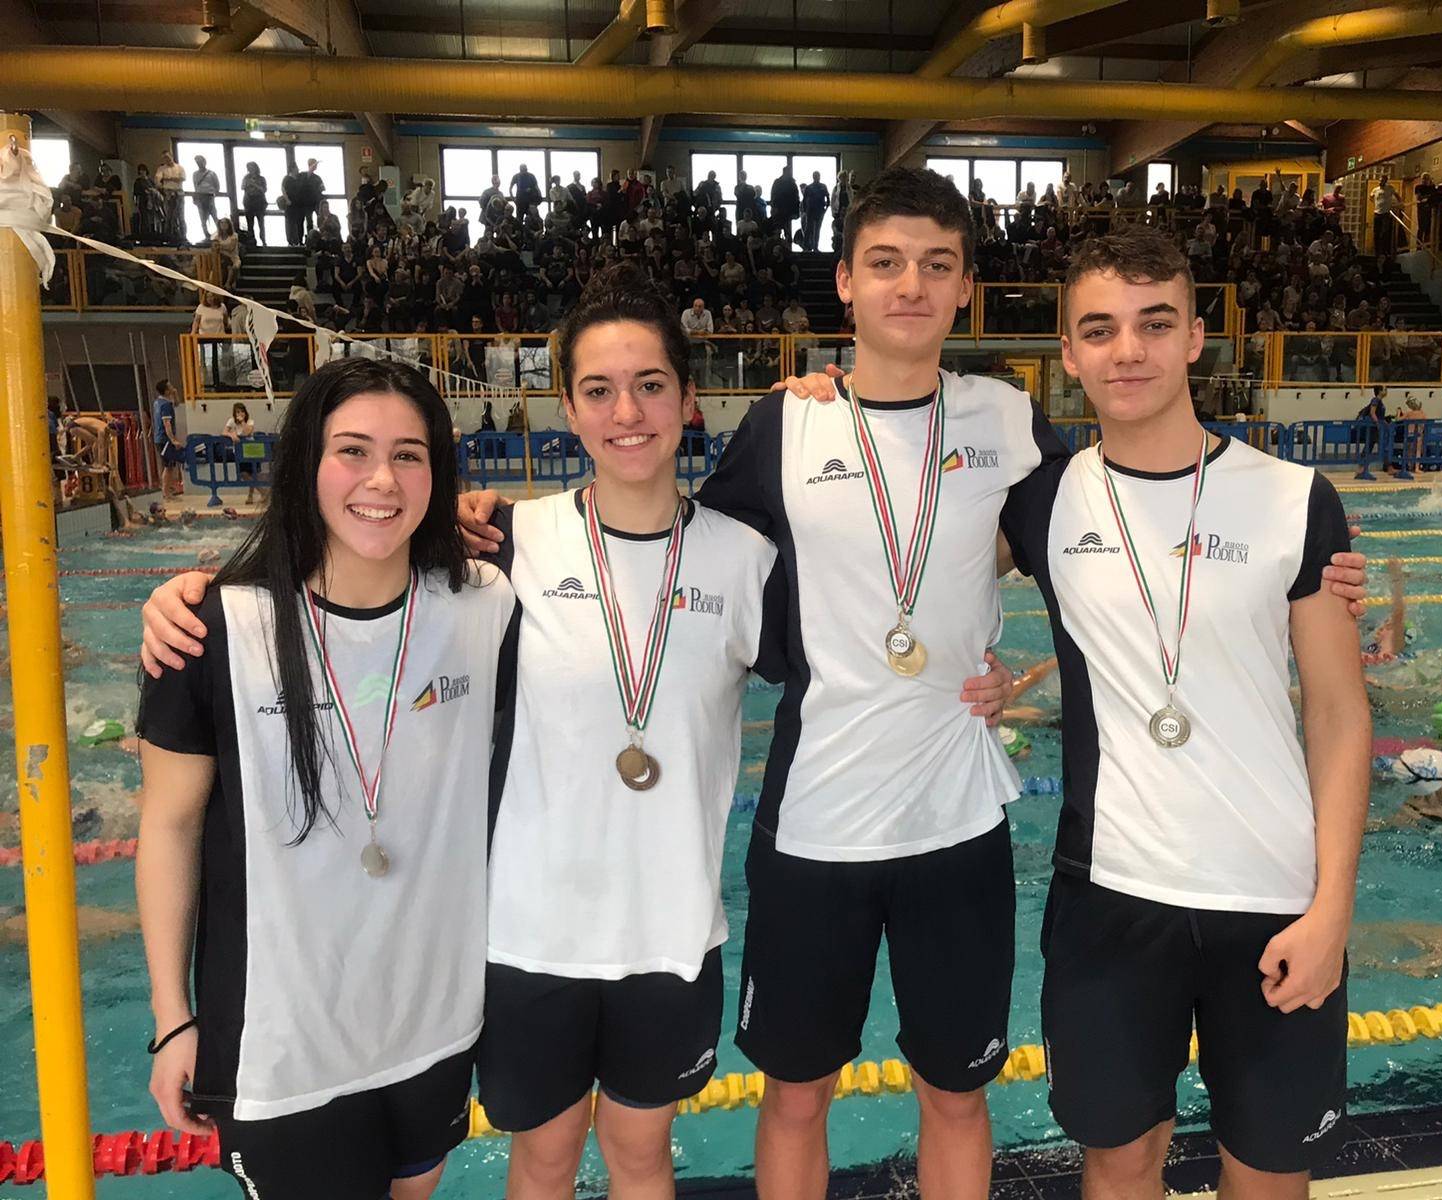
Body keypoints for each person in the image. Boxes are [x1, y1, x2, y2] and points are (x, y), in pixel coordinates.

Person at [137, 268, 1016, 1199]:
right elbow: (360, 601)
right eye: (598, 390)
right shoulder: (506, 551)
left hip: (670, 936)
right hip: (530, 940)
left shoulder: (747, 560)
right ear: (568, 405)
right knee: (545, 1160)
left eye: (650, 386)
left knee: (642, 1160)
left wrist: (980, 671)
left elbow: (862, 654)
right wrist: (197, 594)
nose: (626, 412)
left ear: (688, 398)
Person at [997, 226, 1370, 1198]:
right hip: (1108, 902)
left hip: (1272, 897)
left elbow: (1337, 713)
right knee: (1118, 1165)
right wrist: (821, 395)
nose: (1128, 351)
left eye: (1153, 324)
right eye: (1100, 329)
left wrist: (1331, 907)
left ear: (1197, 337)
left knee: (1266, 1176)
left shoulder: (1294, 501)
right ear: (1068, 353)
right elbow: (902, 541)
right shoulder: (1040, 502)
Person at [136, 358, 517, 1200]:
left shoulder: (484, 603)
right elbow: (167, 827)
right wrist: (173, 1019)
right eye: (353, 450)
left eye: (410, 455)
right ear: (307, 462)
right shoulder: (212, 628)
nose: (382, 480)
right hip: (284, 1046)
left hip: (433, 1023)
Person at [222, 401, 261, 505]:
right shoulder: (231, 421)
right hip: (239, 451)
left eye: (242, 412)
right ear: (234, 414)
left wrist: (243, 422)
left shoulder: (250, 421)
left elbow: (247, 432)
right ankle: (263, 491)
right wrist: (232, 435)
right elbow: (224, 432)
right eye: (238, 412)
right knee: (243, 473)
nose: (240, 414)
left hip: (251, 449)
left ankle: (251, 495)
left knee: (253, 473)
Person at [154, 151, 186, 245]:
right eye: (164, 158)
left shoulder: (179, 168)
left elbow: (182, 178)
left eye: (167, 157)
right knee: (169, 216)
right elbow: (157, 180)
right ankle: (169, 237)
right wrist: (162, 186)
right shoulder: (161, 169)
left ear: (171, 156)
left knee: (180, 216)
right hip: (168, 193)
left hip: (179, 193)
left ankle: (183, 236)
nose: (166, 159)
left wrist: (167, 179)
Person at [239, 162, 269, 245]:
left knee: (261, 223)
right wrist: (247, 183)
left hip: (259, 203)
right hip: (249, 202)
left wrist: (255, 185)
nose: (250, 169)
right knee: (250, 223)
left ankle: (263, 240)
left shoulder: (261, 179)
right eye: (249, 168)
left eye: (251, 167)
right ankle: (252, 241)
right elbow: (242, 187)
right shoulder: (246, 177)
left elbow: (264, 190)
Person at [192, 154, 221, 238]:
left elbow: (217, 185)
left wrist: (213, 192)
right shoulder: (195, 174)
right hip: (200, 196)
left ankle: (220, 232)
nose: (199, 164)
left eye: (200, 162)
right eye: (197, 162)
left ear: (204, 162)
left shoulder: (211, 173)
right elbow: (195, 185)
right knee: (202, 217)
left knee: (214, 215)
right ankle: (206, 234)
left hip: (209, 196)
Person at [800, 171, 830, 252]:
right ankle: (806, 247)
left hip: (820, 210)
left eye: (818, 176)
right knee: (808, 229)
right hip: (810, 211)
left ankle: (815, 247)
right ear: (813, 177)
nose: (817, 177)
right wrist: (805, 211)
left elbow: (827, 197)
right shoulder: (809, 187)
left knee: (817, 230)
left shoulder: (823, 186)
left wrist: (826, 208)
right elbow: (804, 200)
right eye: (815, 176)